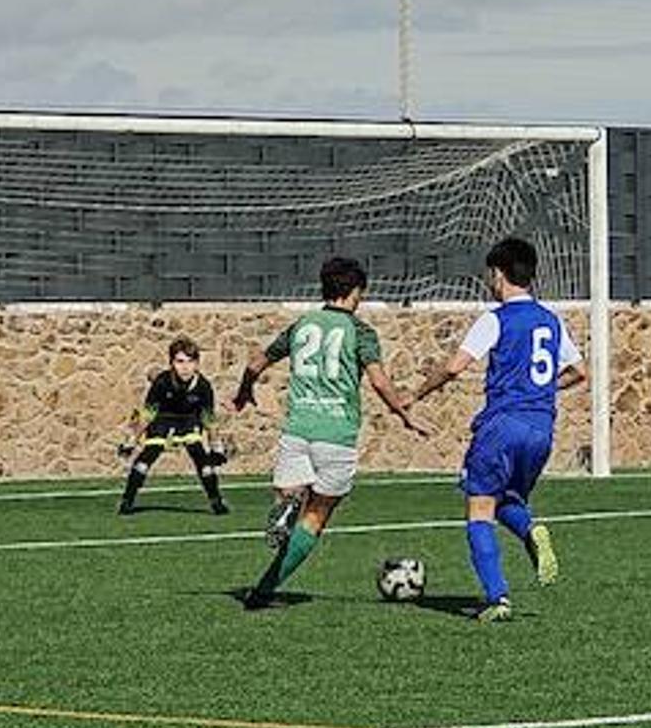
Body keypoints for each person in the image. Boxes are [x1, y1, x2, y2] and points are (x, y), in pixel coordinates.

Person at [229, 256, 428, 610]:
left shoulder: (301, 325)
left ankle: (286, 507)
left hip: (298, 429)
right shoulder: (361, 332)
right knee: (316, 516)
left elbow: (256, 362)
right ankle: (263, 592)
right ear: (355, 292)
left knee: (288, 494)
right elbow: (380, 381)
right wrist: (403, 413)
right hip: (336, 434)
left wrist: (245, 389)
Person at [412, 237, 586, 623]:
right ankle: (532, 531)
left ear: (498, 274)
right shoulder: (550, 320)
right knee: (506, 499)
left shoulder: (496, 318)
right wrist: (540, 388)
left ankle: (498, 598)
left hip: (501, 424)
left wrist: (417, 393)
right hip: (542, 429)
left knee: (479, 509)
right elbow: (580, 371)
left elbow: (455, 367)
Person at [117, 336, 230, 516]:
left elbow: (208, 419)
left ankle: (216, 500)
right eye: (179, 361)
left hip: (189, 421)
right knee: (145, 461)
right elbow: (147, 415)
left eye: (190, 361)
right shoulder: (161, 382)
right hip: (163, 420)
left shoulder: (204, 387)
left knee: (203, 461)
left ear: (197, 364)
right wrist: (132, 440)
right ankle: (127, 500)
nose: (185, 367)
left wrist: (216, 447)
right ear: (171, 363)